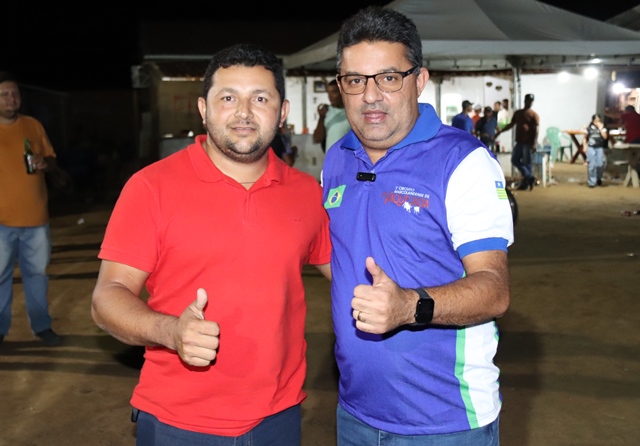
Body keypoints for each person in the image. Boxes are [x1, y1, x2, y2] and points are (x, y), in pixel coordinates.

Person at [90, 44, 332, 444]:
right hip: (178, 421)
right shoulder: (151, 187)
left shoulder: (307, 194)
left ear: (283, 112)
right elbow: (107, 298)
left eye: (260, 99)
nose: (244, 112)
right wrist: (171, 331)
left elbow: (350, 275)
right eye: (228, 98)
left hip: (279, 417)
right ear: (204, 109)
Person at [322, 6, 513, 445]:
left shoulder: (462, 161)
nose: (371, 96)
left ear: (419, 80)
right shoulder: (336, 160)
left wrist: (409, 306)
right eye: (355, 80)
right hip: (355, 414)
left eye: (389, 78)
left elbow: (494, 289)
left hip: (445, 421)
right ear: (340, 86)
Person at [0, 71, 62, 347]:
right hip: (1, 222)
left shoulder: (33, 125)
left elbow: (52, 160)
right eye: (4, 94)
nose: (11, 99)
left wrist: (44, 163)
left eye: (14, 93)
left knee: (37, 276)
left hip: (36, 219)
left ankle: (42, 326)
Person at [495, 93, 539, 190]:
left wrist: (534, 143)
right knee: (515, 160)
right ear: (525, 101)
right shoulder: (518, 113)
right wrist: (501, 131)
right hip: (519, 141)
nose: (529, 103)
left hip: (528, 142)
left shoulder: (534, 115)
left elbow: (536, 130)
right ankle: (529, 177)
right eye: (528, 101)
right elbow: (511, 124)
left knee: (527, 162)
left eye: (531, 101)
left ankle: (526, 182)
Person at [312, 79, 350, 153]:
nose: (330, 96)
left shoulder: (352, 112)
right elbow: (317, 139)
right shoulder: (326, 111)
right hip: (331, 159)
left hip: (348, 158)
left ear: (342, 92)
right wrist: (321, 118)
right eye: (328, 93)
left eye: (334, 92)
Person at [584, 113, 607, 188]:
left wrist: (600, 129)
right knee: (591, 165)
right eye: (596, 121)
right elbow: (585, 138)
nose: (597, 123)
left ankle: (599, 177)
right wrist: (585, 146)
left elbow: (605, 137)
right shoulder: (589, 128)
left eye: (598, 121)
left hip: (599, 147)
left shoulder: (602, 128)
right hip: (591, 147)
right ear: (593, 121)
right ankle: (591, 182)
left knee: (600, 164)